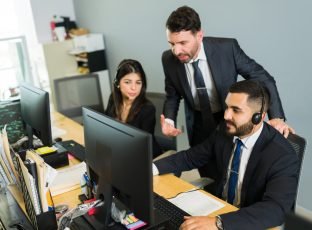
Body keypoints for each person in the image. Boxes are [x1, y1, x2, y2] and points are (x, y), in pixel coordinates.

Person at [153, 80, 299, 230]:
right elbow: (191, 157)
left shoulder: (282, 155)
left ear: (258, 117)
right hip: (219, 207)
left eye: (236, 110)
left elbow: (275, 209)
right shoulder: (226, 130)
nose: (226, 115)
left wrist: (219, 222)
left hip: (248, 222)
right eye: (227, 107)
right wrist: (151, 168)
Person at [160, 5, 295, 147]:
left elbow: (264, 79)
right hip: (197, 125)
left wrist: (277, 117)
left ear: (199, 36)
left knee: (230, 165)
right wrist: (169, 120)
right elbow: (172, 94)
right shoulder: (168, 59)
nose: (176, 51)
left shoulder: (227, 49)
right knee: (203, 166)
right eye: (172, 44)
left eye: (182, 43)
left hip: (229, 118)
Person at [105, 59, 162, 158]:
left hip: (145, 157)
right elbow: (104, 126)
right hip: (119, 151)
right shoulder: (113, 99)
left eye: (138, 83)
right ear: (117, 82)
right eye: (128, 82)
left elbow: (144, 145)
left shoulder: (147, 109)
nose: (134, 88)